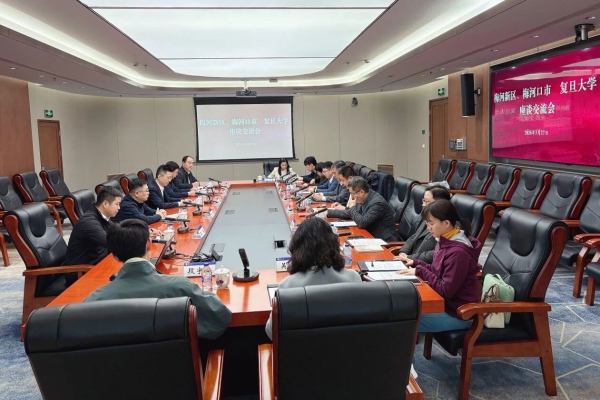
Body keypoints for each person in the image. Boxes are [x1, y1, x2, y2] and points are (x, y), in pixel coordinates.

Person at [84, 219, 231, 339]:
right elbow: (219, 316)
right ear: (149, 244)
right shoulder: (180, 287)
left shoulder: (94, 300)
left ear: (114, 256)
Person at [265, 217, 361, 340]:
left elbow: (272, 333)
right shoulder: (353, 278)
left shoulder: (287, 286)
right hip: (346, 349)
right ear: (334, 246)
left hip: (302, 351)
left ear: (297, 248)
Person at [397, 199, 482, 332]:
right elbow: (437, 271)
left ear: (446, 223)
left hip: (458, 313)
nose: (428, 228)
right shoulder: (445, 239)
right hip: (445, 305)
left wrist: (420, 271)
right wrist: (415, 262)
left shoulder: (458, 252)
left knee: (399, 319)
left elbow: (445, 290)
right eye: (427, 223)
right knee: (398, 310)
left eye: (431, 224)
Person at [63, 186, 123, 285]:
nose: (119, 208)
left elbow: (117, 232)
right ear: (105, 204)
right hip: (81, 273)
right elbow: (112, 242)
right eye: (117, 204)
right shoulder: (89, 222)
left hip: (98, 263)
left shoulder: (102, 217)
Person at [327, 176, 399, 242]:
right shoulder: (363, 197)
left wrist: (352, 207)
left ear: (361, 192)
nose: (352, 197)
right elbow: (351, 213)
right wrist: (328, 213)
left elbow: (362, 222)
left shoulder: (377, 203)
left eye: (352, 193)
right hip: (369, 235)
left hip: (384, 241)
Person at [393, 186, 451, 264]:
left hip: (423, 265)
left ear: (440, 203)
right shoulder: (428, 216)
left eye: (427, 201)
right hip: (411, 261)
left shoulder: (447, 225)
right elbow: (415, 236)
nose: (423, 205)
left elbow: (437, 253)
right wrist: (403, 252)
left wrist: (409, 257)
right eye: (423, 200)